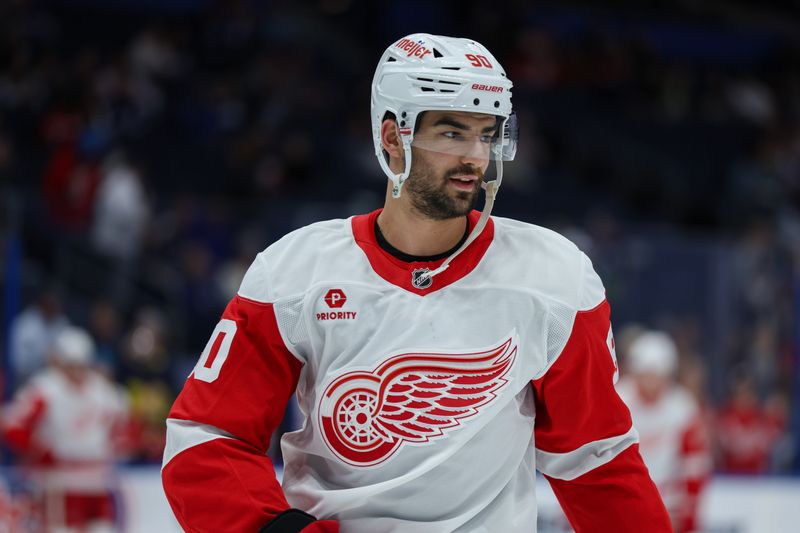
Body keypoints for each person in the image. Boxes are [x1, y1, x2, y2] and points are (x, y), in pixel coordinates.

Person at [162, 33, 671, 532]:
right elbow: (206, 436)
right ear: (392, 138)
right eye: (452, 133)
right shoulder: (295, 272)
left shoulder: (554, 280)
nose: (475, 156)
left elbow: (596, 462)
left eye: (486, 134)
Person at [2, 326, 130, 532]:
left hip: (96, 479)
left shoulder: (102, 390)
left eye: (82, 366)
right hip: (60, 481)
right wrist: (40, 450)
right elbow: (11, 424)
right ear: (61, 363)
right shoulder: (45, 389)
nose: (77, 372)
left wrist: (113, 450)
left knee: (102, 528)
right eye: (72, 366)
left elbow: (122, 427)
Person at [616, 330, 710, 533]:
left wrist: (688, 516)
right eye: (645, 374)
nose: (651, 382)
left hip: (667, 506)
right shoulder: (618, 400)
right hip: (622, 502)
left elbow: (695, 465)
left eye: (656, 375)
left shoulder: (683, 408)